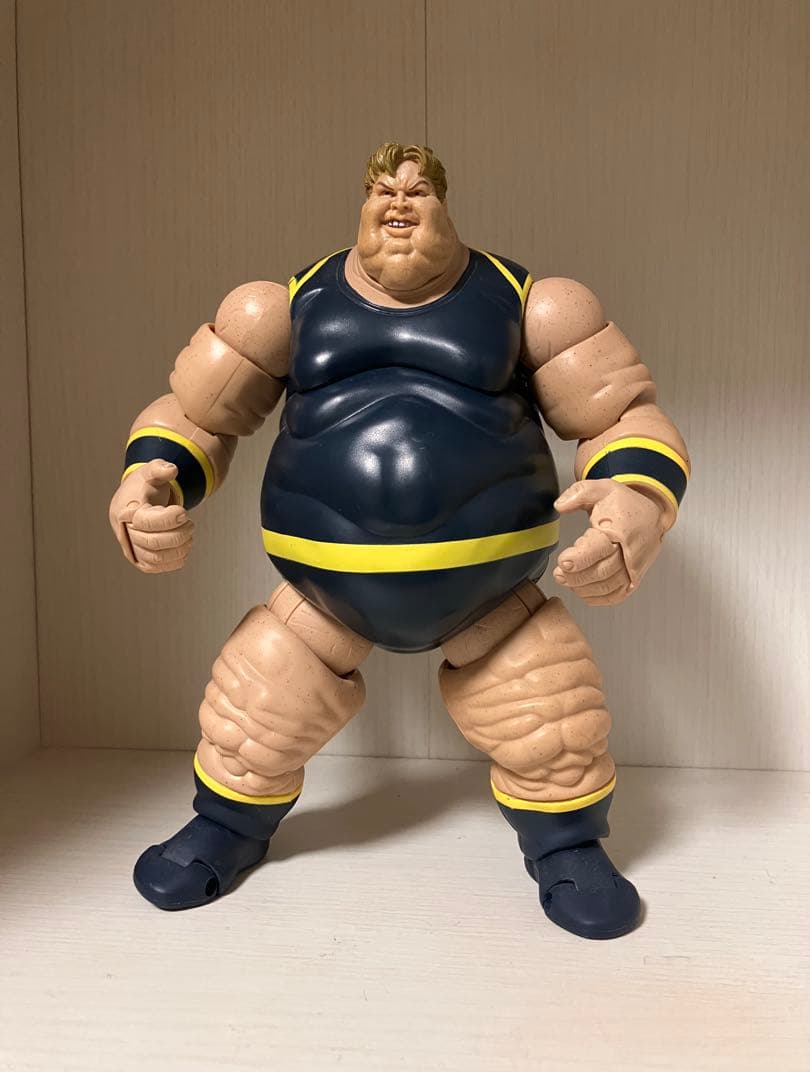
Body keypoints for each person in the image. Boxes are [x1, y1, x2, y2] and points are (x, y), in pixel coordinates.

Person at [109, 143, 689, 938]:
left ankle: (568, 846)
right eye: (383, 191)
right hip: (323, 593)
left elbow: (621, 418)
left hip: (490, 593)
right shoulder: (277, 310)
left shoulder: (535, 306)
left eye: (418, 191)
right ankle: (227, 826)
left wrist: (637, 498)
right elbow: (195, 415)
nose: (399, 204)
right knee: (254, 720)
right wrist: (149, 481)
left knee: (553, 729)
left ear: (447, 203)